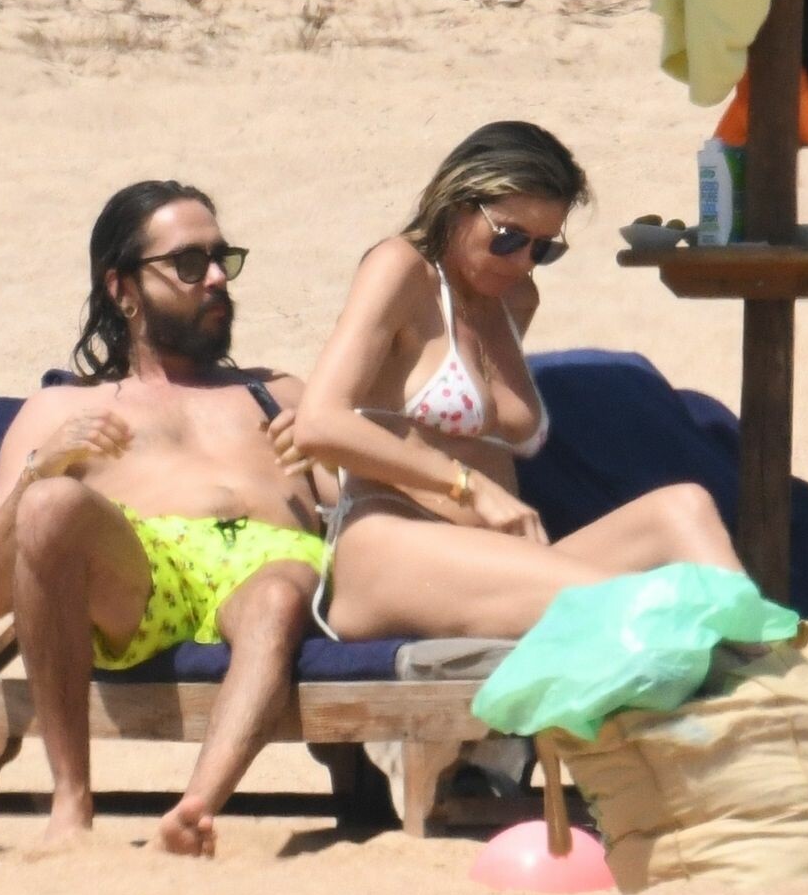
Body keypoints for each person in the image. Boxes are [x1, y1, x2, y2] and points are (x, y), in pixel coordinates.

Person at [0, 181, 331, 856]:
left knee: (277, 598)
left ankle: (193, 813)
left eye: (221, 258)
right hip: (146, 574)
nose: (216, 278)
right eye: (189, 263)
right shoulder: (62, 411)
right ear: (123, 289)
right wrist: (45, 468)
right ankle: (71, 803)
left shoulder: (278, 393)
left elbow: (364, 515)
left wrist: (333, 457)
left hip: (273, 566)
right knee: (49, 505)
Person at [285, 121, 747, 640]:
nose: (524, 261)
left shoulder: (515, 299)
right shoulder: (402, 269)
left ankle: (772, 664)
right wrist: (467, 485)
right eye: (508, 238)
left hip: (493, 560)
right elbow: (320, 422)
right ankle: (766, 662)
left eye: (544, 249)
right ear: (458, 204)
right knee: (653, 610)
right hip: (395, 549)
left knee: (685, 508)